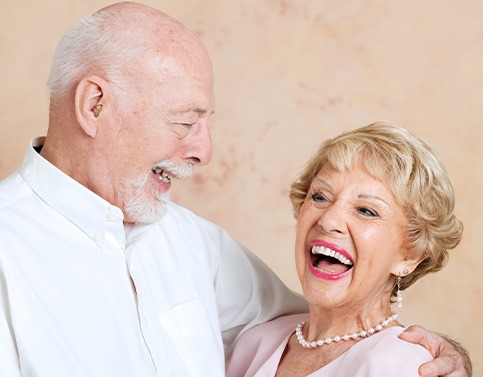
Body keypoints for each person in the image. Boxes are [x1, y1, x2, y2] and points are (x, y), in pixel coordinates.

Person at [0, 2, 470, 376]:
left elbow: (331, 325)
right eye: (184, 121)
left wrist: (441, 356)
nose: (203, 152)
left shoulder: (194, 243)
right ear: (94, 105)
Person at [226, 122, 472, 377]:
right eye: (320, 197)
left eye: (366, 211)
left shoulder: (403, 365)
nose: (328, 220)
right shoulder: (255, 343)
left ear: (410, 255)